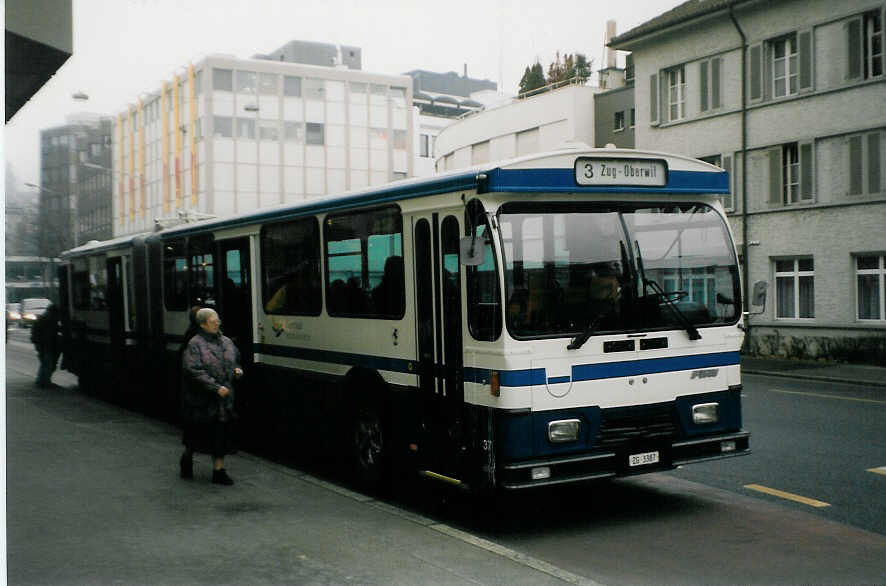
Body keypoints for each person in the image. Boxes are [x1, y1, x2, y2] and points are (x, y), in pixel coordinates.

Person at [179, 307, 243, 485]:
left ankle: (219, 471)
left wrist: (237, 370)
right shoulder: (194, 344)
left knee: (220, 435)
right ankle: (187, 456)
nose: (217, 323)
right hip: (202, 400)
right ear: (202, 324)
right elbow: (193, 370)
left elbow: (236, 359)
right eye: (213, 321)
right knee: (197, 436)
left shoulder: (227, 342)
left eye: (218, 321)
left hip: (224, 400)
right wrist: (215, 387)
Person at [31, 304, 61, 388]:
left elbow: (35, 333)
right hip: (46, 344)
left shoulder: (44, 317)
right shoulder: (49, 319)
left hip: (42, 344)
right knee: (47, 364)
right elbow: (50, 334)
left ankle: (41, 381)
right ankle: (44, 382)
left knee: (45, 363)